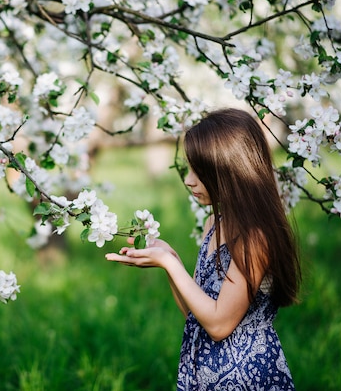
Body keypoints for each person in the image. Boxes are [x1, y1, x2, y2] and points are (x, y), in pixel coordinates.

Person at [105, 108, 301, 390]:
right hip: (206, 370)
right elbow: (197, 315)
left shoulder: (255, 238)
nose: (188, 179)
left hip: (246, 375)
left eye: (200, 171)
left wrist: (170, 264)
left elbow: (220, 325)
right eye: (188, 168)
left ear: (231, 171)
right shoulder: (215, 222)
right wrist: (170, 260)